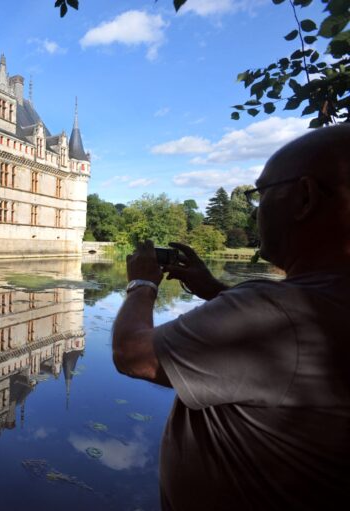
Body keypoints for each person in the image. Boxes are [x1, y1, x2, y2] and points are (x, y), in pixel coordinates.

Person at [112, 124, 350, 510]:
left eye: (261, 194)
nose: (255, 211)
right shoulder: (324, 299)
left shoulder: (276, 313)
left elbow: (133, 354)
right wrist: (214, 289)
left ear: (304, 197)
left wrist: (141, 283)